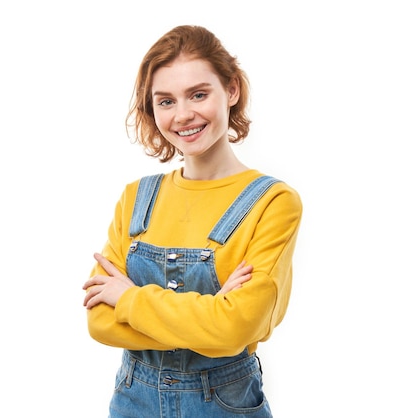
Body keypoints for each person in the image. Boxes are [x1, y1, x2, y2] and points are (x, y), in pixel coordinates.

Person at [82, 24, 302, 418]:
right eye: (165, 101)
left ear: (231, 90)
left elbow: (236, 329)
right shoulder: (136, 198)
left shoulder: (273, 202)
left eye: (198, 94)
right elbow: (99, 321)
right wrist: (211, 316)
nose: (183, 115)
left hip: (223, 406)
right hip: (133, 402)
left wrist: (129, 298)